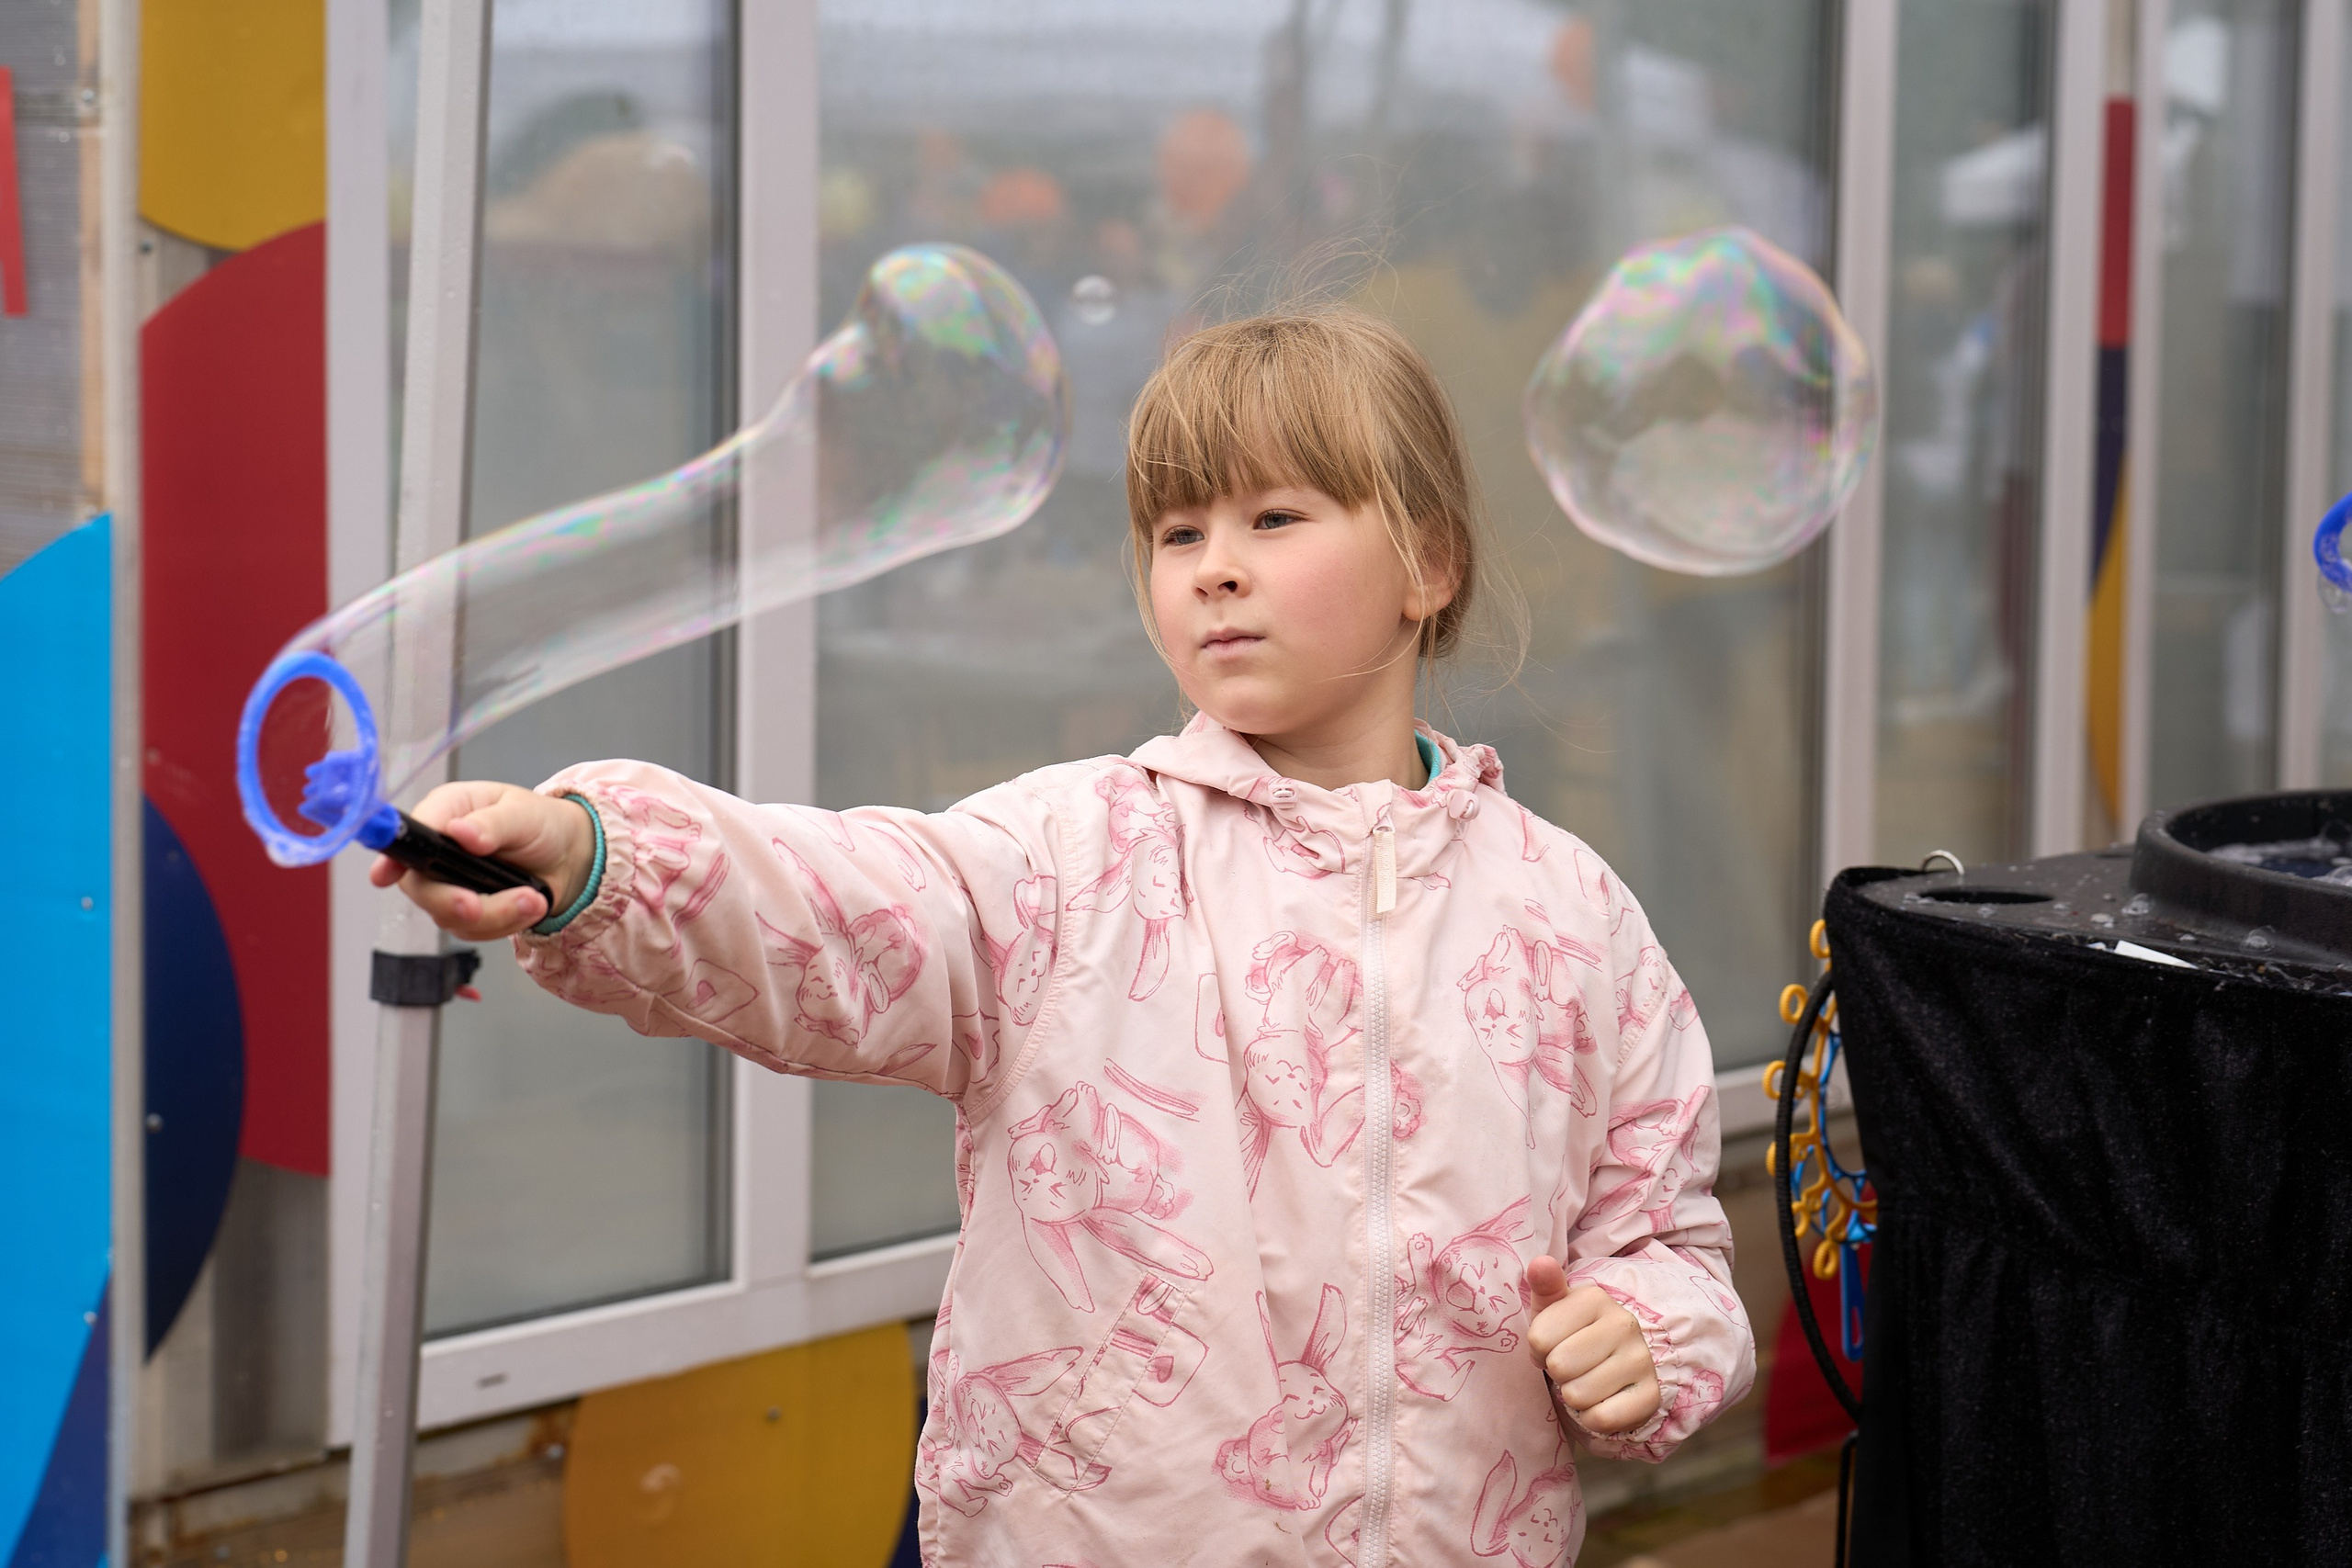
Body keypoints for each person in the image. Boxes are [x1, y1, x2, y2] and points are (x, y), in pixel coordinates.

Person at [377, 308, 1753, 1566]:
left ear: (1430, 564)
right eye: (1178, 534)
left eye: (1276, 517)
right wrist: (598, 858)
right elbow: (832, 901)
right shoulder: (1071, 863)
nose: (1216, 570)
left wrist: (1647, 1334)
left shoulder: (1570, 915)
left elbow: (1666, 1235)